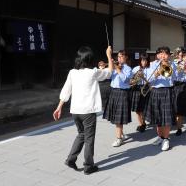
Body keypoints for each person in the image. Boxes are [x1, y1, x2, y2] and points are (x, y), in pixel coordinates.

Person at [53, 46, 113, 175]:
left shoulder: (72, 72)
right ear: (90, 59)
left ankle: (70, 159)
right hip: (88, 112)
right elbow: (110, 72)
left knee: (81, 135)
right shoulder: (93, 72)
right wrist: (109, 55)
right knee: (89, 139)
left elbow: (66, 90)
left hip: (75, 111)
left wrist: (59, 107)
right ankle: (88, 166)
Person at [144, 46, 176, 151]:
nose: (163, 55)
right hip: (155, 91)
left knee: (166, 117)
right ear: (157, 55)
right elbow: (150, 81)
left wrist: (166, 66)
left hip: (167, 91)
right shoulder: (152, 65)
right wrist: (157, 72)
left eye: (165, 54)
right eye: (161, 53)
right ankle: (160, 137)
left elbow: (171, 78)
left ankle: (166, 139)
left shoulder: (172, 64)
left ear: (169, 55)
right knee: (157, 117)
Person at [103, 50, 132, 147]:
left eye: (122, 56)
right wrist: (106, 67)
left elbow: (125, 80)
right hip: (113, 92)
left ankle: (119, 138)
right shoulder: (114, 67)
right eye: (118, 56)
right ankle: (122, 134)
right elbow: (108, 77)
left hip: (123, 93)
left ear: (126, 57)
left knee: (118, 118)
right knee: (116, 116)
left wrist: (118, 69)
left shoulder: (128, 69)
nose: (119, 58)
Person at [130, 53, 150, 132]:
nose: (144, 62)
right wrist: (134, 80)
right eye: (142, 60)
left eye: (145, 61)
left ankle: (144, 122)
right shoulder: (135, 69)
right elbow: (131, 80)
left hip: (146, 88)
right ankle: (142, 123)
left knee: (144, 108)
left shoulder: (150, 69)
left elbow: (151, 82)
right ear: (140, 61)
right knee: (138, 109)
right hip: (137, 89)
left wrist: (143, 78)